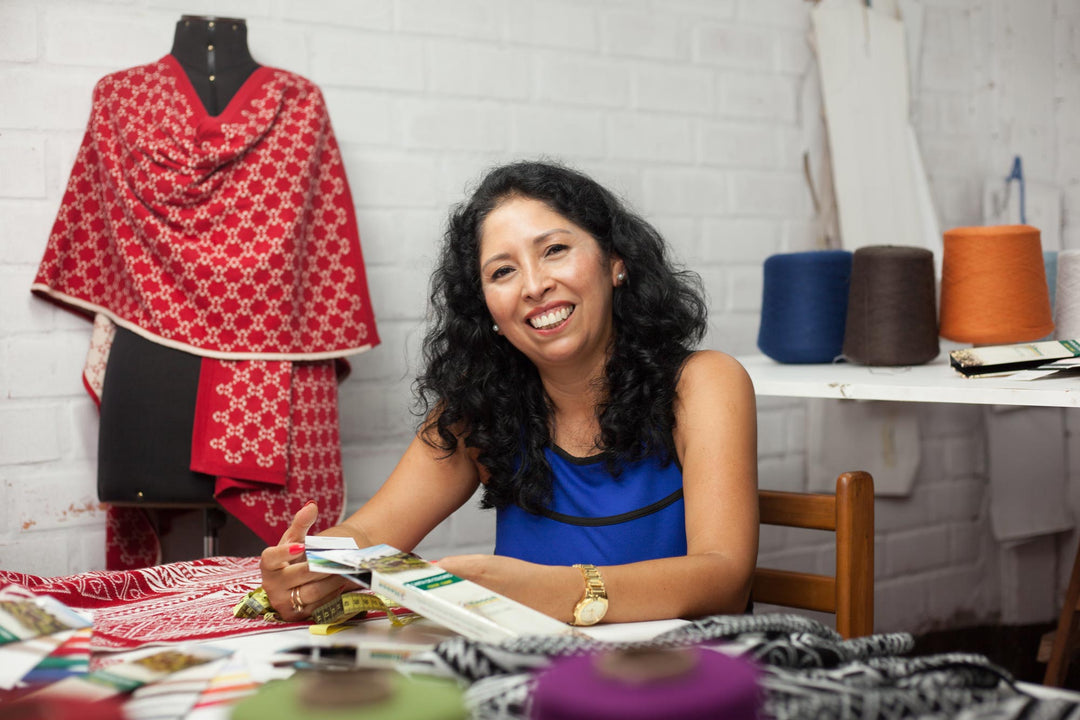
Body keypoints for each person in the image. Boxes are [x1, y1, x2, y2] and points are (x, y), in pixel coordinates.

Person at [259, 160, 758, 625]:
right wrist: (313, 567)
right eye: (503, 271)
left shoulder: (703, 383)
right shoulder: (478, 413)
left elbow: (725, 580)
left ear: (614, 263)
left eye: (554, 250)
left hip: (682, 681)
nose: (535, 285)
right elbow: (368, 537)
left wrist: (542, 589)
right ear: (488, 311)